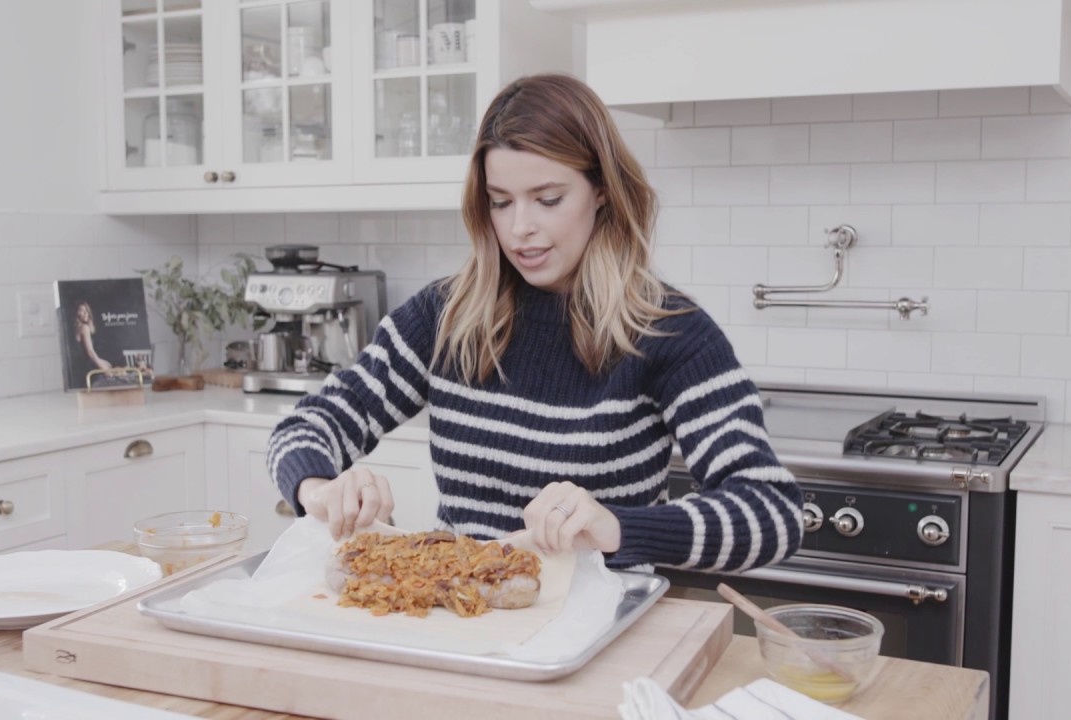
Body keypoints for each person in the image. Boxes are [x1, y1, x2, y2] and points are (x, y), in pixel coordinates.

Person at [267, 74, 803, 573]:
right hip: (459, 619)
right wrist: (319, 488)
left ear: (601, 190)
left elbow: (773, 513)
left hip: (600, 631)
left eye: (548, 199)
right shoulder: (444, 317)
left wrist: (615, 526)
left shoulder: (671, 333)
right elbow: (306, 427)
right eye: (501, 203)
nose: (521, 228)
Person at [74, 301, 114, 375]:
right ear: (77, 313)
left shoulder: (78, 328)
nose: (85, 313)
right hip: (87, 368)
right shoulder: (84, 328)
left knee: (109, 364)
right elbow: (90, 352)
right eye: (81, 310)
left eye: (86, 311)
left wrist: (102, 361)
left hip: (82, 366)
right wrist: (104, 369)